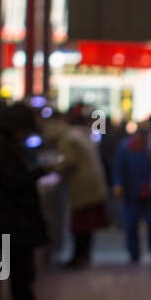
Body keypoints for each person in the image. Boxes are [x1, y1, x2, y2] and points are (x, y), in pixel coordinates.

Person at [0, 102, 69, 300]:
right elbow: (13, 180)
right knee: (19, 277)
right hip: (11, 221)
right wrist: (38, 171)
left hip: (13, 220)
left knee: (21, 276)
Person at [42, 112, 109, 267]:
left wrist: (53, 170)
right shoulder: (75, 135)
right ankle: (83, 255)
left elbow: (70, 162)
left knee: (81, 224)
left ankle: (79, 257)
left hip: (82, 187)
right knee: (86, 226)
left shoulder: (67, 140)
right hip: (92, 184)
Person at [112, 119, 151, 262]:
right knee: (131, 225)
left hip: (149, 191)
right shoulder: (126, 147)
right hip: (132, 192)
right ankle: (134, 254)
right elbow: (119, 168)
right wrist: (118, 184)